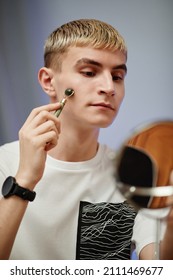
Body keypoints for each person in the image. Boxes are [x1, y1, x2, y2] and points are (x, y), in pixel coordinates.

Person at [0, 19, 172, 260]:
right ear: (49, 81)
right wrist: (24, 179)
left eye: (118, 76)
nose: (108, 87)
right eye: (89, 72)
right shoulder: (3, 164)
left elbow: (158, 269)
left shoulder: (131, 176)